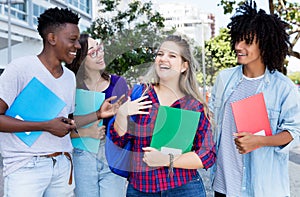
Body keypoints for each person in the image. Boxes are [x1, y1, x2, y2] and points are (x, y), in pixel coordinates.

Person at [0, 8, 122, 197]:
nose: (78, 46)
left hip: (63, 166)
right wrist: (45, 126)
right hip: (26, 167)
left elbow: (66, 122)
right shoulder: (20, 68)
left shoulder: (68, 78)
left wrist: (98, 114)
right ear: (52, 38)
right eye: (72, 40)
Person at [208, 1, 300, 196]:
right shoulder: (225, 79)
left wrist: (261, 141)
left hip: (261, 188)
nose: (238, 47)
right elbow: (211, 119)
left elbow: (294, 132)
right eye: (237, 40)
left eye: (247, 42)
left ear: (264, 45)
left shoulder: (283, 88)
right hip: (223, 186)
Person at [109, 35, 216, 196]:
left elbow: (207, 154)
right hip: (142, 188)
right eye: (160, 54)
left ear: (184, 66)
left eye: (172, 56)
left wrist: (167, 160)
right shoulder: (140, 94)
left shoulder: (194, 106)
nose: (163, 59)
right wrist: (122, 114)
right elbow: (119, 140)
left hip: (184, 188)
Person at [66, 34, 129, 197]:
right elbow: (61, 126)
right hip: (82, 154)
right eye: (92, 52)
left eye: (99, 48)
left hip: (112, 152)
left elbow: (128, 127)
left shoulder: (118, 83)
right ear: (80, 60)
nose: (100, 54)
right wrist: (87, 132)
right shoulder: (71, 86)